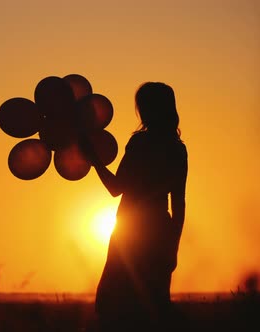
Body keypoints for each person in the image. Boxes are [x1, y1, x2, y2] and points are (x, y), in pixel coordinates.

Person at [81, 82, 188, 329]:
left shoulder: (140, 143)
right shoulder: (178, 149)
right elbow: (179, 203)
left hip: (130, 233)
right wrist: (173, 245)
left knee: (117, 308)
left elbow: (116, 188)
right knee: (154, 307)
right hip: (161, 231)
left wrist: (94, 160)